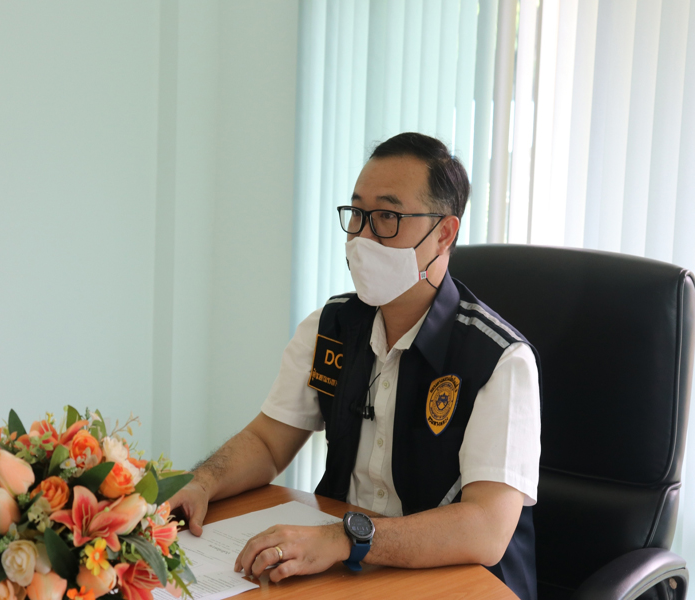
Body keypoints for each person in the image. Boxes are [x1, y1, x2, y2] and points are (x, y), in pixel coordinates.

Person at [169, 132, 541, 600]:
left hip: (457, 584)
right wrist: (201, 483)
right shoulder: (331, 327)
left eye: (387, 217)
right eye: (357, 214)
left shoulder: (500, 360)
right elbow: (267, 443)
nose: (363, 236)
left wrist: (346, 538)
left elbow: (486, 528)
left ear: (444, 234)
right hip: (348, 573)